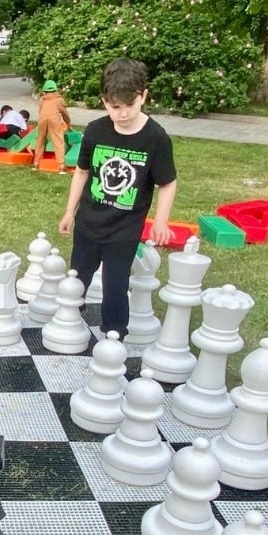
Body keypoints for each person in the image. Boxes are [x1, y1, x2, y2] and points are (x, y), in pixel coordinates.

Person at [57, 57, 177, 342]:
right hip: (88, 222)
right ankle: (70, 319)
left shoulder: (156, 138)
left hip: (124, 230)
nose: (122, 114)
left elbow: (168, 182)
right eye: (114, 107)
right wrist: (69, 211)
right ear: (104, 101)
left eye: (129, 105)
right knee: (77, 276)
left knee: (115, 285)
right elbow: (82, 172)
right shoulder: (95, 131)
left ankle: (114, 335)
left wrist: (161, 221)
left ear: (143, 96)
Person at [31, 79, 71, 173]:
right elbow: (65, 113)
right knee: (58, 140)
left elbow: (41, 112)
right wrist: (68, 123)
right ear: (55, 90)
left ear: (44, 91)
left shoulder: (42, 100)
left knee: (40, 140)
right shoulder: (59, 100)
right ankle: (61, 166)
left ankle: (36, 163)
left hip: (42, 120)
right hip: (54, 120)